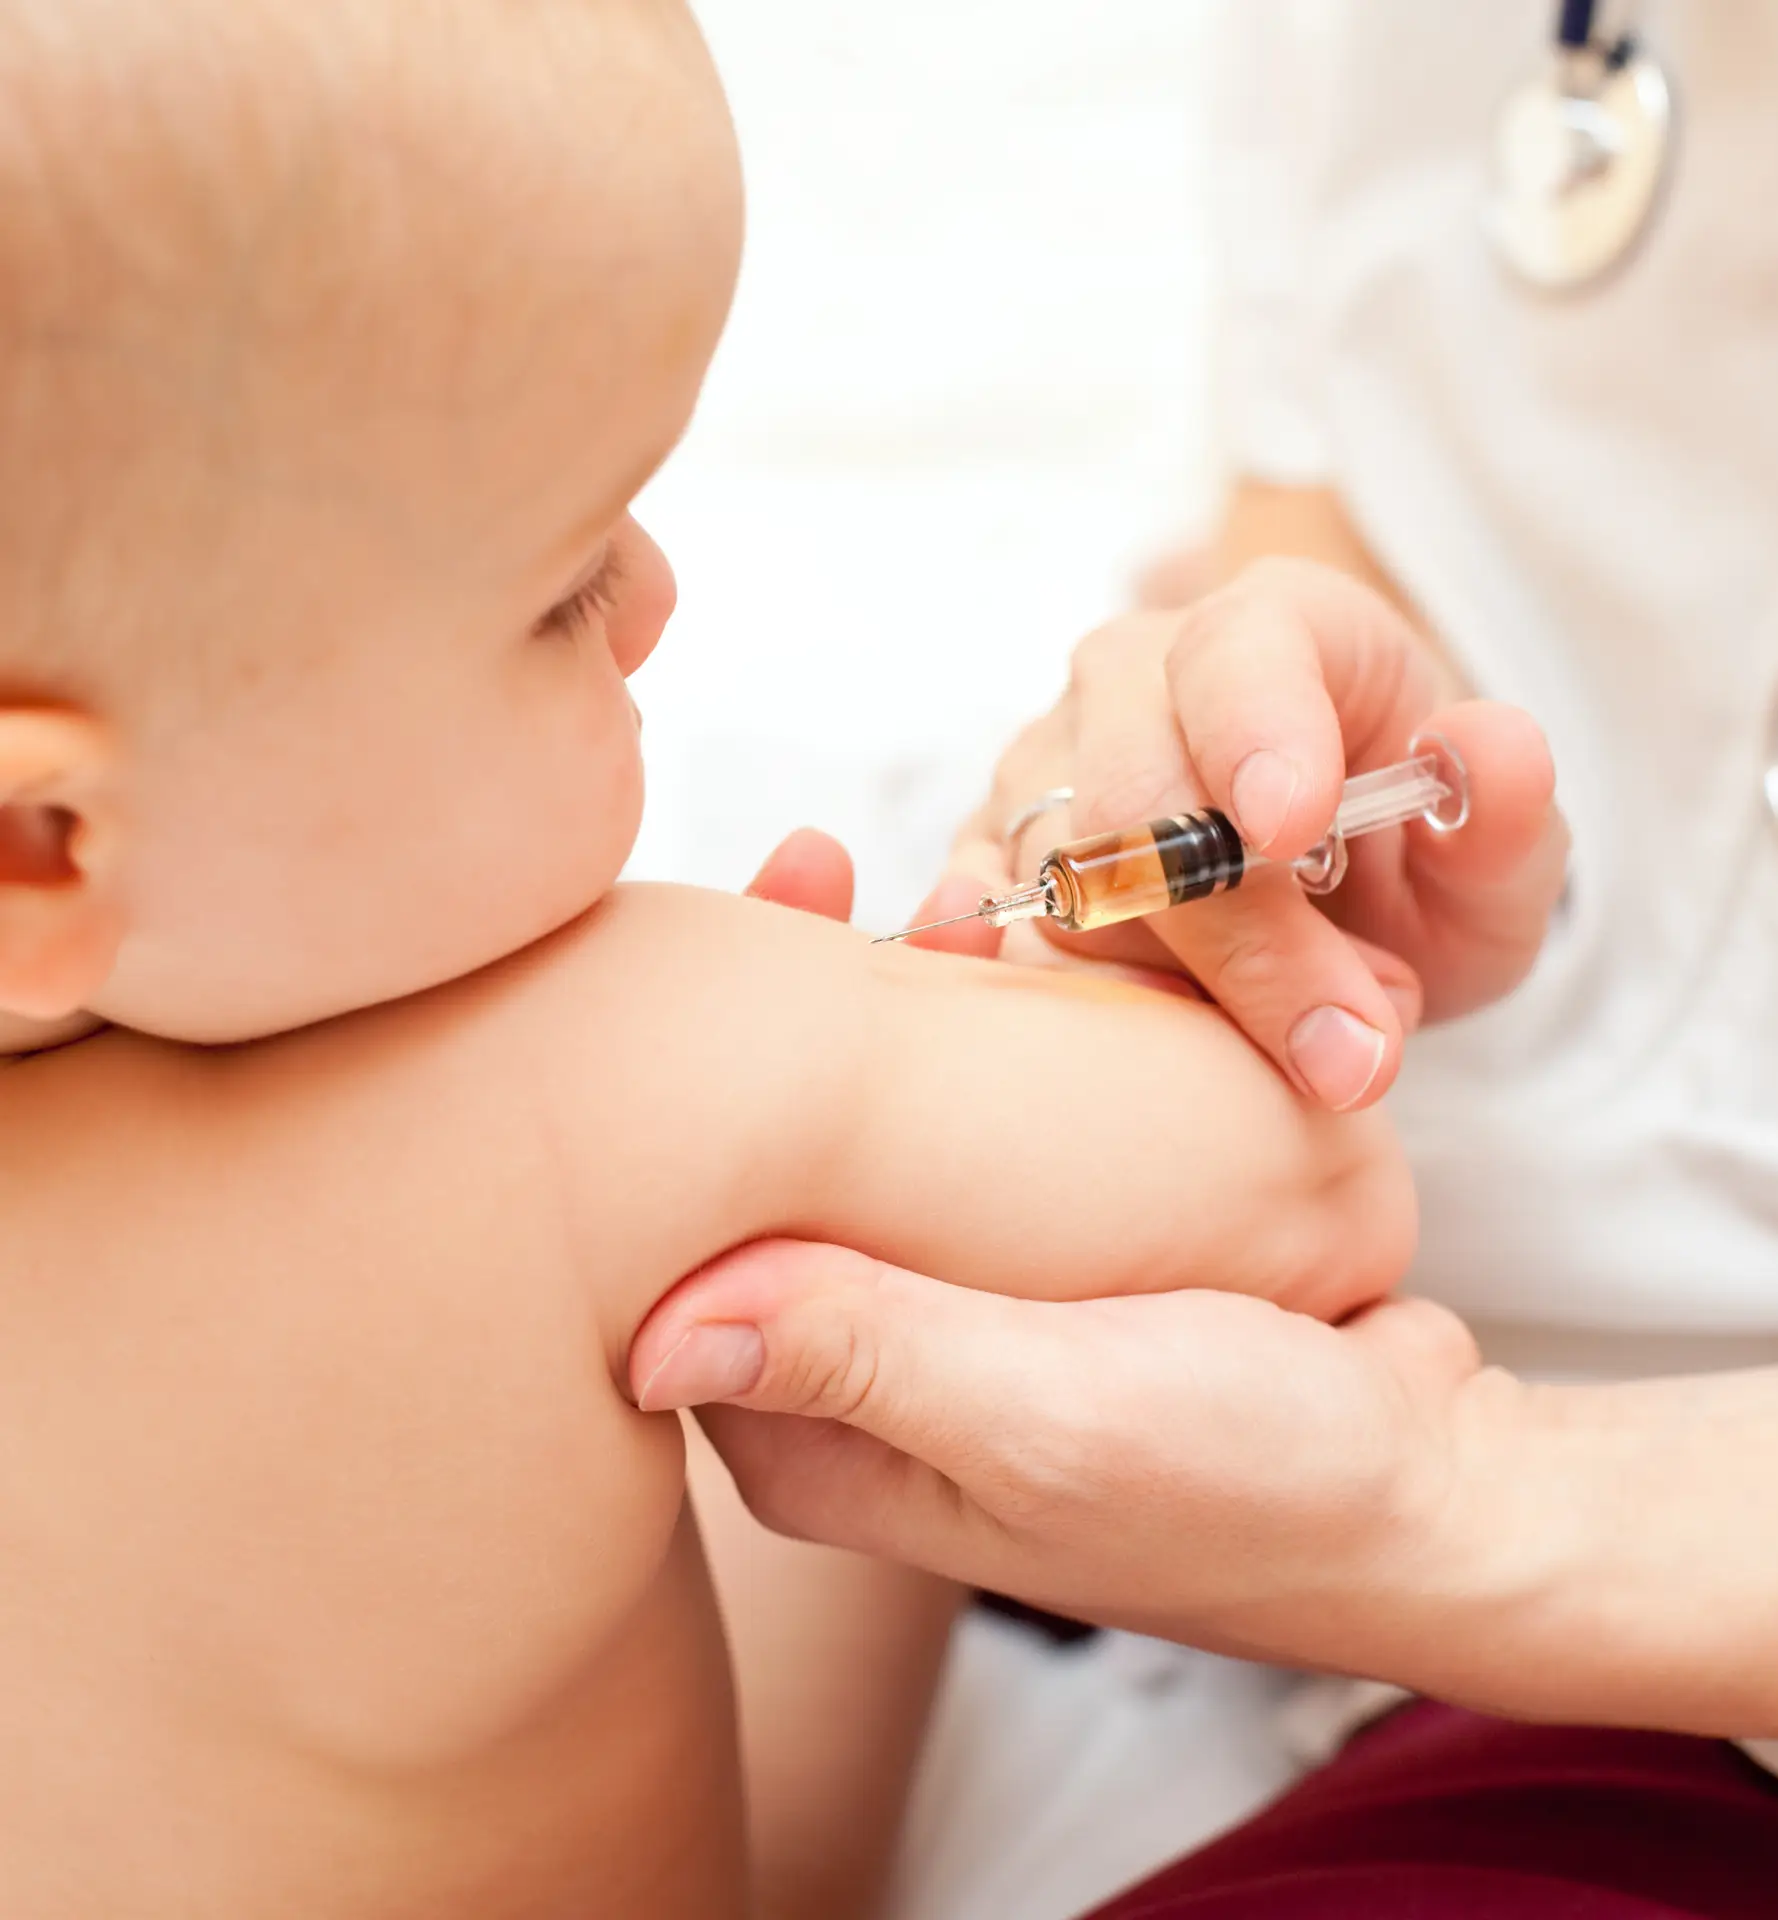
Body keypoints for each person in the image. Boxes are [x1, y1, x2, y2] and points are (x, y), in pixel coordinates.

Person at [0, 4, 1549, 1916]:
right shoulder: (609, 1071)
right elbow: (1305, 1194)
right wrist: (1048, 1001)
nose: (655, 598)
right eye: (562, 584)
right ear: (40, 845)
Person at [627, 3, 1778, 1913]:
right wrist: (1206, 750)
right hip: (1283, 1426)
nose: (646, 602)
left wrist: (1464, 1502)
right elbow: (1321, 562)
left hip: (1768, 1656)